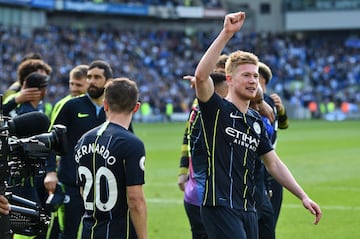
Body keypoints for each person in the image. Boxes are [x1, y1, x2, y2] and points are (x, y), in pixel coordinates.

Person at [193, 11, 321, 239]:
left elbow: (273, 163)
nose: (253, 81)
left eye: (255, 76)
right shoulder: (216, 110)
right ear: (230, 79)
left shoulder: (255, 122)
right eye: (246, 76)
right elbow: (202, 77)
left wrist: (303, 196)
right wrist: (227, 33)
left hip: (249, 209)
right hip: (219, 205)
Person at [46, 60, 113, 239]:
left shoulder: (114, 108)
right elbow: (52, 140)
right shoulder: (71, 106)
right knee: (67, 232)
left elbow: (125, 142)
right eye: (89, 77)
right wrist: (50, 171)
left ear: (108, 81)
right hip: (72, 182)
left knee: (98, 232)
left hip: (103, 186)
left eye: (97, 77)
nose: (91, 81)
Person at [75, 77, 147, 239]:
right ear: (136, 108)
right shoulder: (132, 143)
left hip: (88, 230)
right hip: (119, 232)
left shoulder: (84, 139)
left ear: (105, 104)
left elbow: (82, 190)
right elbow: (135, 199)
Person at [178, 72, 228, 239]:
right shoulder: (219, 112)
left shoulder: (200, 105)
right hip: (211, 196)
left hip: (197, 193)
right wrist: (183, 169)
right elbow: (188, 136)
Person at [258, 61, 289, 226]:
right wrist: (281, 110)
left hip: (263, 168)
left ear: (262, 80)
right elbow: (283, 125)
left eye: (254, 76)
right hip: (270, 169)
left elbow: (275, 129)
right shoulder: (271, 101)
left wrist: (281, 110)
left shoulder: (264, 101)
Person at [249, 85, 276, 239]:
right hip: (232, 203)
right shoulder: (224, 117)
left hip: (259, 193)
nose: (258, 107)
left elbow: (271, 162)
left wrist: (303, 196)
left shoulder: (258, 123)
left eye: (259, 102)